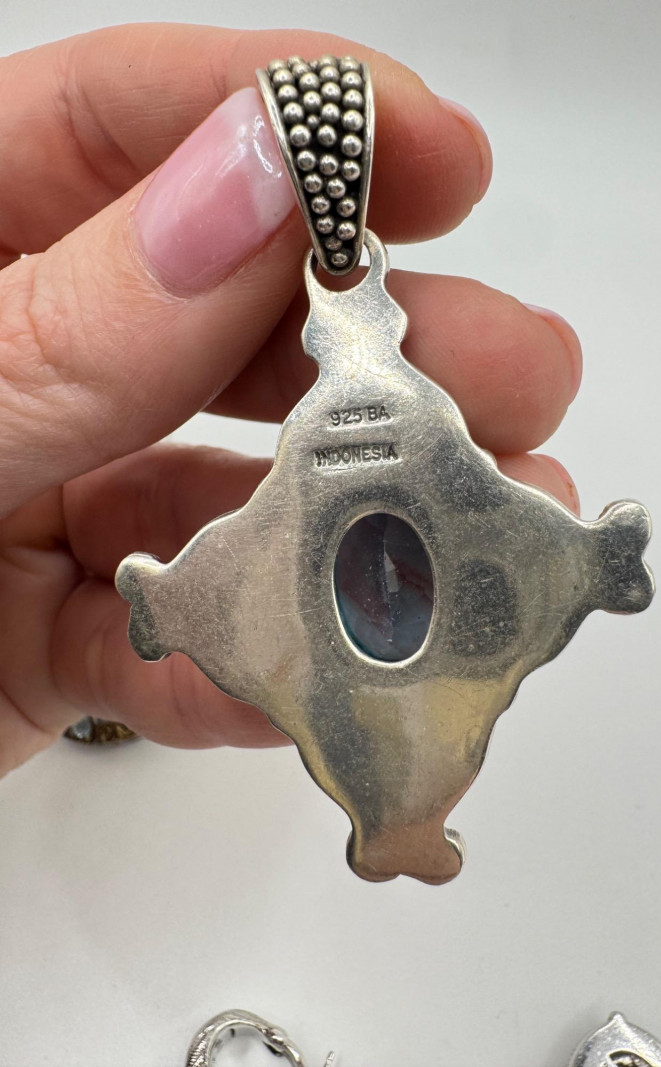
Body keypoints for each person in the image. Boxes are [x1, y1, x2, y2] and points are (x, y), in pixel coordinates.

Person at [0, 24, 582, 779]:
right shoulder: (352, 433)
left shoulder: (398, 429)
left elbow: (499, 515)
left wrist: (593, 559)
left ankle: (404, 809)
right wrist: (170, 598)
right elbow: (256, 537)